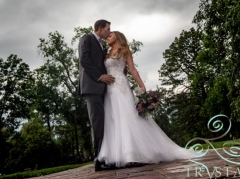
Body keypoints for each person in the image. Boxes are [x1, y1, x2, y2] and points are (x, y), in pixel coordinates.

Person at [97, 31, 196, 168]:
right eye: (107, 35)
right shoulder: (106, 53)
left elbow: (132, 69)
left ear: (118, 37)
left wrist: (142, 86)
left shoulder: (125, 51)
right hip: (110, 90)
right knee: (113, 119)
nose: (107, 37)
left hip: (121, 87)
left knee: (129, 117)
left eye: (110, 35)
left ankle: (133, 154)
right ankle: (117, 154)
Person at [78, 19, 115, 171]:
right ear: (100, 28)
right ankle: (98, 160)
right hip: (92, 86)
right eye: (108, 29)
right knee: (97, 122)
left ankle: (107, 156)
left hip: (102, 89)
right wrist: (100, 77)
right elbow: (84, 60)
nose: (109, 31)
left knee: (104, 122)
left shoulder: (102, 45)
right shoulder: (87, 38)